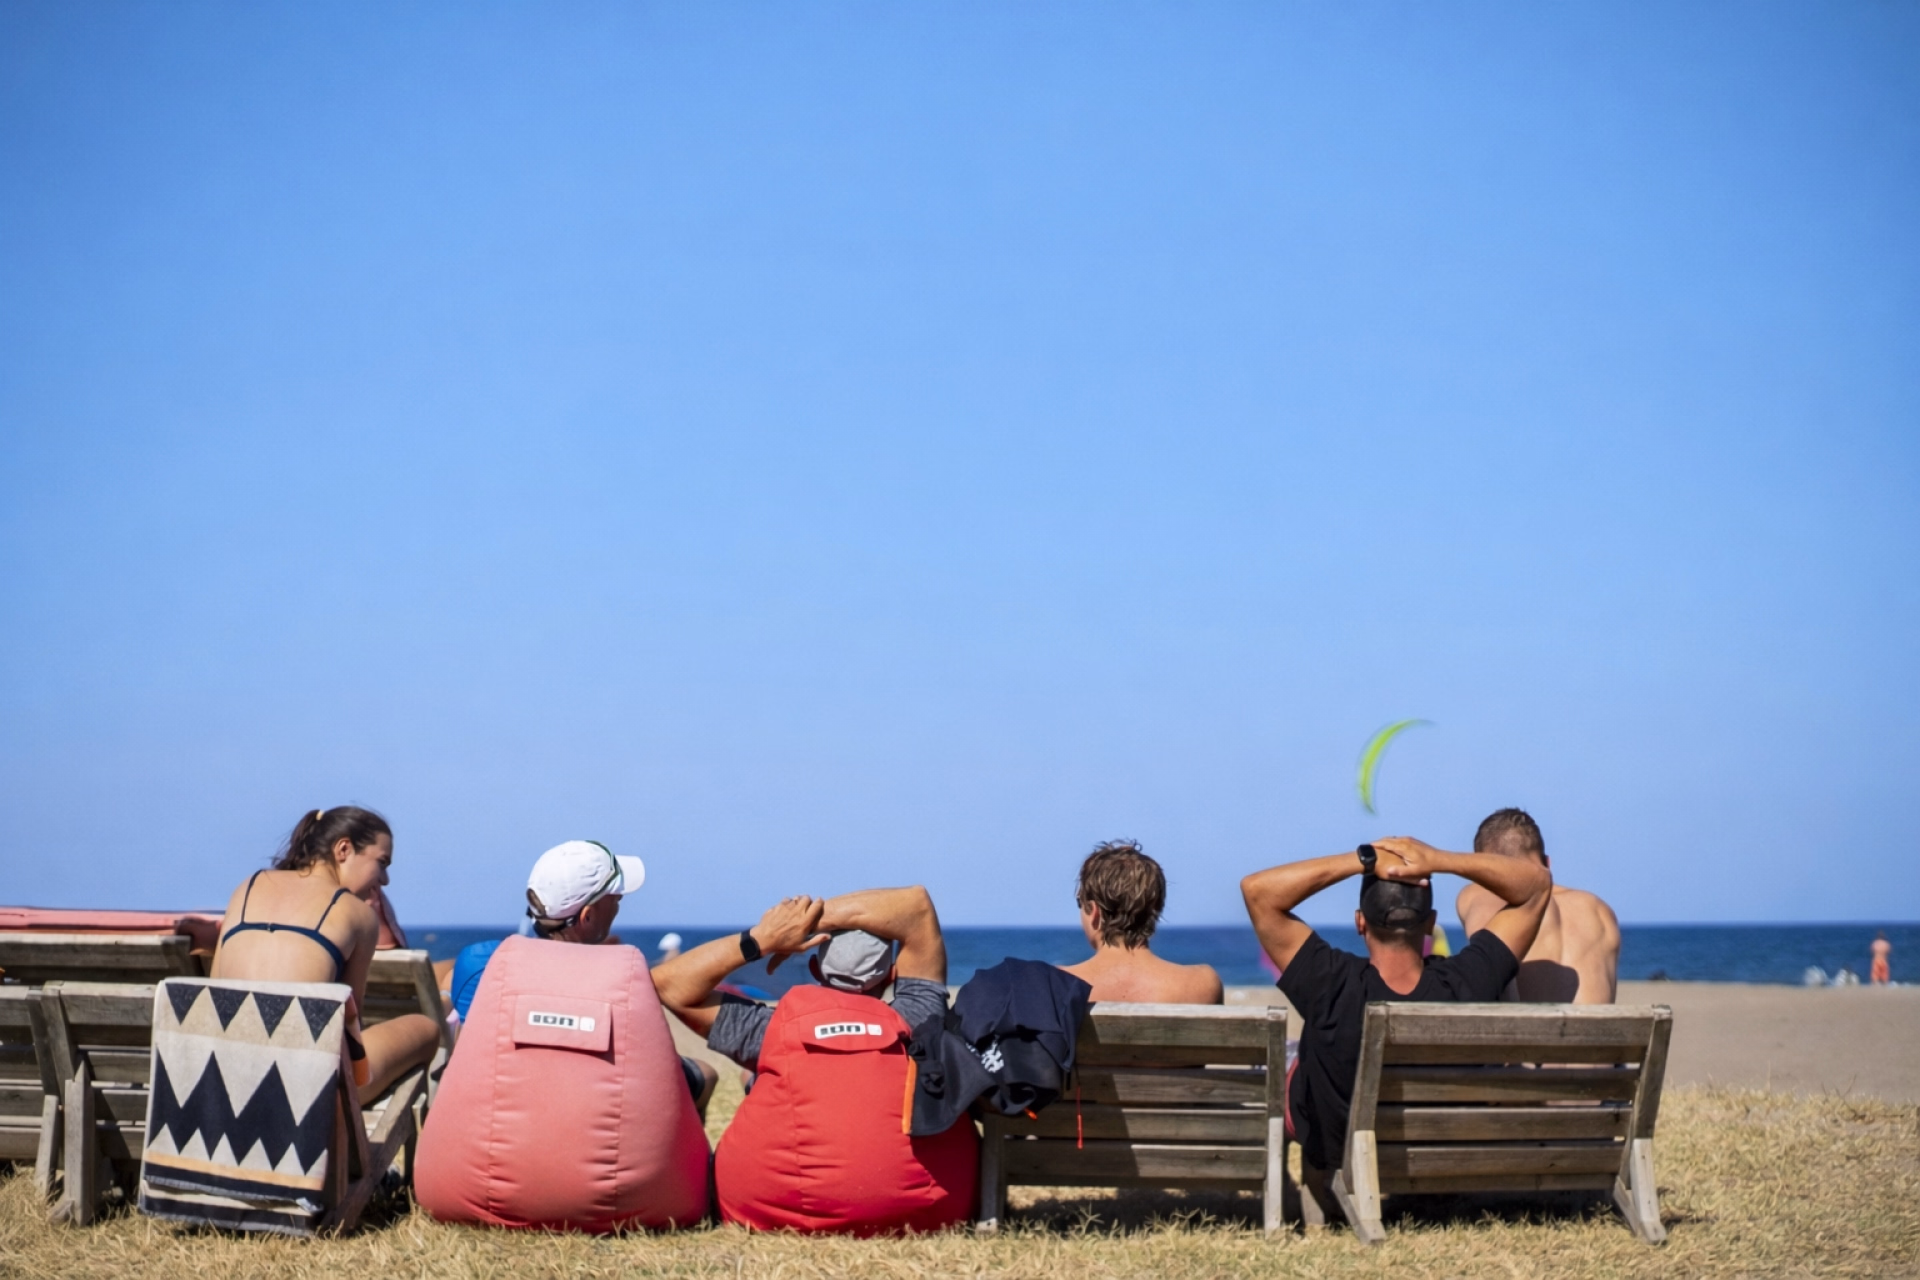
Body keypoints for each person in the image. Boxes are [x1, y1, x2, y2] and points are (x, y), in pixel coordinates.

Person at [653, 885, 977, 1233]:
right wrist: (813, 921)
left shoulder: (771, 1029)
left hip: (771, 1208)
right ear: (891, 975)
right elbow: (916, 906)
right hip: (917, 1208)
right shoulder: (917, 1019)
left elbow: (667, 983)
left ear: (815, 967)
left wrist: (768, 936)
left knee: (756, 1079)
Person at [1241, 835, 1551, 1192]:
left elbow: (1257, 891)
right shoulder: (1469, 979)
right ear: (1430, 922)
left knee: (1296, 1061)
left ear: (1360, 922)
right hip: (1438, 1148)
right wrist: (1437, 859)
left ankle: (1315, 1184)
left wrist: (1364, 858)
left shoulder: (1330, 981)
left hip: (1341, 1149)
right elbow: (1536, 885)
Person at [446, 840, 719, 1116]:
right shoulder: (620, 975)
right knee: (704, 1075)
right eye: (615, 897)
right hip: (590, 1109)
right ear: (587, 917)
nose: (619, 903)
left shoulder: (479, 963)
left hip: (497, 1107)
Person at [211, 807, 440, 1104]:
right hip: (304, 1091)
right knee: (427, 1029)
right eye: (381, 863)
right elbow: (349, 1032)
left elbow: (213, 989)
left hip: (224, 1076)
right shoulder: (357, 914)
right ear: (343, 849)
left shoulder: (248, 887)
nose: (385, 880)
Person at [1455, 808, 1620, 1003]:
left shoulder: (1481, 897)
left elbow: (1489, 980)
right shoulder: (1598, 910)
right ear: (1547, 862)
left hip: (1530, 1033)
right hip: (1600, 1033)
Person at [1059, 841, 1222, 1004]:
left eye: (1080, 904)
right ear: (1156, 907)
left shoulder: (1054, 985)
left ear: (1094, 912)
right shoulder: (1203, 984)